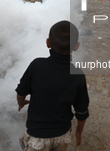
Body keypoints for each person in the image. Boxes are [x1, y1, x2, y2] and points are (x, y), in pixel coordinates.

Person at [16, 20, 89, 151]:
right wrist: (78, 132)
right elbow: (82, 110)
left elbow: (21, 91)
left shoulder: (36, 66)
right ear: (76, 46)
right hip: (62, 135)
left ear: (48, 43)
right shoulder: (78, 75)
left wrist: (21, 102)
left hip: (36, 136)